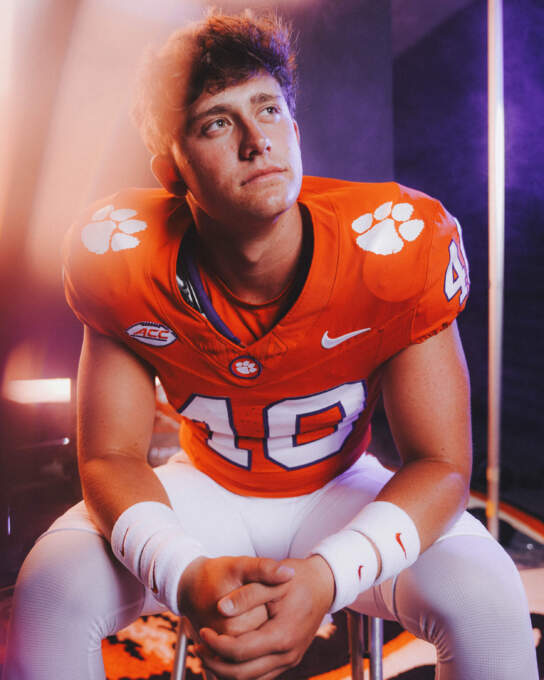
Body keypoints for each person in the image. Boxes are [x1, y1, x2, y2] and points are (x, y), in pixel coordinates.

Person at [3, 10, 538, 680]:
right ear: (172, 171)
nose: (257, 141)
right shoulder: (121, 254)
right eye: (216, 123)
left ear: (294, 128)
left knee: (487, 592)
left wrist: (331, 574)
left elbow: (443, 465)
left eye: (269, 109)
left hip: (341, 485)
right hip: (206, 487)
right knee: (51, 586)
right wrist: (182, 570)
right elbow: (110, 456)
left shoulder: (396, 242)